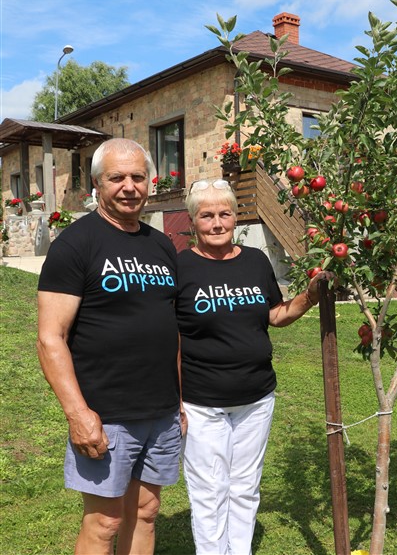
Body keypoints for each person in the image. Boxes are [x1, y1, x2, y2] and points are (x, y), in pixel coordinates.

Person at [36, 138, 182, 555]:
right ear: (97, 184)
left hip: (161, 411)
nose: (129, 186)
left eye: (138, 177)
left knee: (148, 511)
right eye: (117, 177)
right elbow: (50, 338)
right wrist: (78, 414)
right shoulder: (75, 244)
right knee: (105, 522)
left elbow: (168, 327)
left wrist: (180, 400)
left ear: (150, 182)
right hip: (106, 415)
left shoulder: (160, 245)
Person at [177, 179, 329, 555]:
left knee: (245, 484)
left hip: (256, 397)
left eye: (224, 214)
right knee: (209, 489)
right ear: (193, 221)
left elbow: (275, 314)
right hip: (201, 401)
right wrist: (174, 399)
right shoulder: (179, 267)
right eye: (207, 215)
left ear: (235, 217)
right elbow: (169, 339)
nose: (217, 223)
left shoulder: (255, 261)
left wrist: (309, 296)